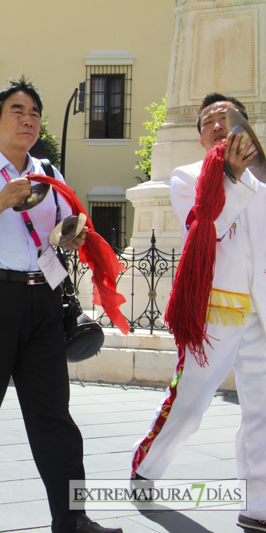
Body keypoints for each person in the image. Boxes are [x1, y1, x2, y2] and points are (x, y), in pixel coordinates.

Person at [0, 77, 121, 533]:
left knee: (53, 411)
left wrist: (74, 235)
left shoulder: (48, 172)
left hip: (44, 295)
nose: (28, 120)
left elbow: (60, 230)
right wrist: (1, 200)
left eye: (34, 113)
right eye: (17, 111)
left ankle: (72, 517)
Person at [131, 93, 266, 532]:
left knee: (262, 409)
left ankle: (258, 503)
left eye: (226, 117)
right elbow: (211, 223)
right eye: (208, 120)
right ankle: (147, 467)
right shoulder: (188, 176)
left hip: (261, 308)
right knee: (191, 401)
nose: (218, 125)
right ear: (202, 136)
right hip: (216, 309)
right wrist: (234, 173)